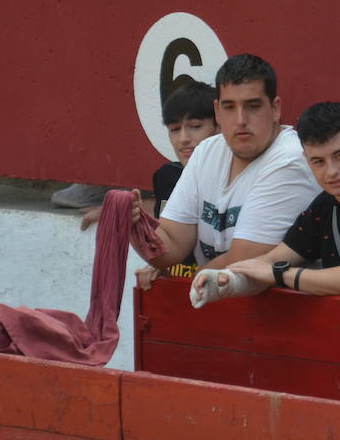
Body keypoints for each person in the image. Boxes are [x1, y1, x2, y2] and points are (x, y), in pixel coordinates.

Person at [131, 54, 320, 275]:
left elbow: (242, 264)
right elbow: (170, 245)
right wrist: (134, 224)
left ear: (275, 108)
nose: (240, 120)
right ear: (217, 111)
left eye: (253, 106)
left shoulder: (291, 159)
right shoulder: (206, 151)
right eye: (229, 107)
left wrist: (183, 288)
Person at [198, 102, 340, 300]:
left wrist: (282, 274)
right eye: (318, 161)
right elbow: (272, 260)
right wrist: (225, 279)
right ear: (306, 159)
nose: (331, 171)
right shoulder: (324, 205)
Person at [80, 82, 217, 234]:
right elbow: (167, 211)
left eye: (196, 126)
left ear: (219, 127)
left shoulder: (234, 178)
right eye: (175, 129)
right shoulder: (168, 177)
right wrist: (122, 209)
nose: (183, 138)